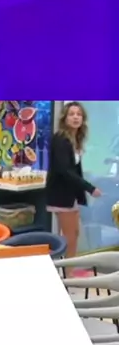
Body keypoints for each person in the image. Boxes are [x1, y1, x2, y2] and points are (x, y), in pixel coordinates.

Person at [46, 101, 101, 261]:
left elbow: (74, 169)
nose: (76, 117)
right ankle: (67, 271)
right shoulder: (61, 139)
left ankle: (67, 269)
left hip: (70, 196)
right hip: (62, 195)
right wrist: (90, 188)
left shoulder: (74, 140)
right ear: (65, 118)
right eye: (71, 114)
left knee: (74, 234)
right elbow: (65, 170)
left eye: (79, 114)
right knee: (70, 237)